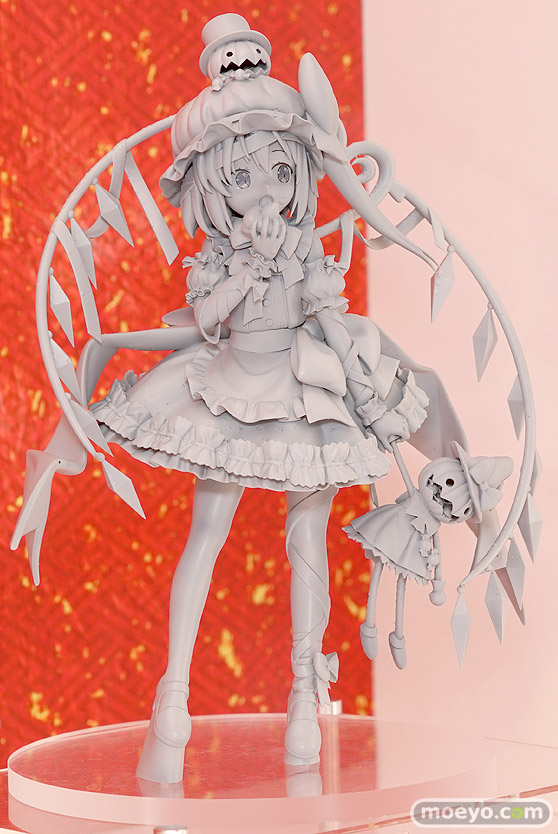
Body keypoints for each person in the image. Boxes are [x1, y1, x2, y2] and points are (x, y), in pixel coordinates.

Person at [89, 14, 433, 782]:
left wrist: (359, 378)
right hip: (228, 388)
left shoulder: (304, 248)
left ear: (301, 173)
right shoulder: (221, 255)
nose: (267, 192)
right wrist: (246, 274)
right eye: (241, 178)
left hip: (303, 394)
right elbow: (209, 319)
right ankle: (173, 693)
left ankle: (305, 697)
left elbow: (329, 316)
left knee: (306, 537)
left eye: (280, 171)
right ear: (212, 187)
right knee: (206, 532)